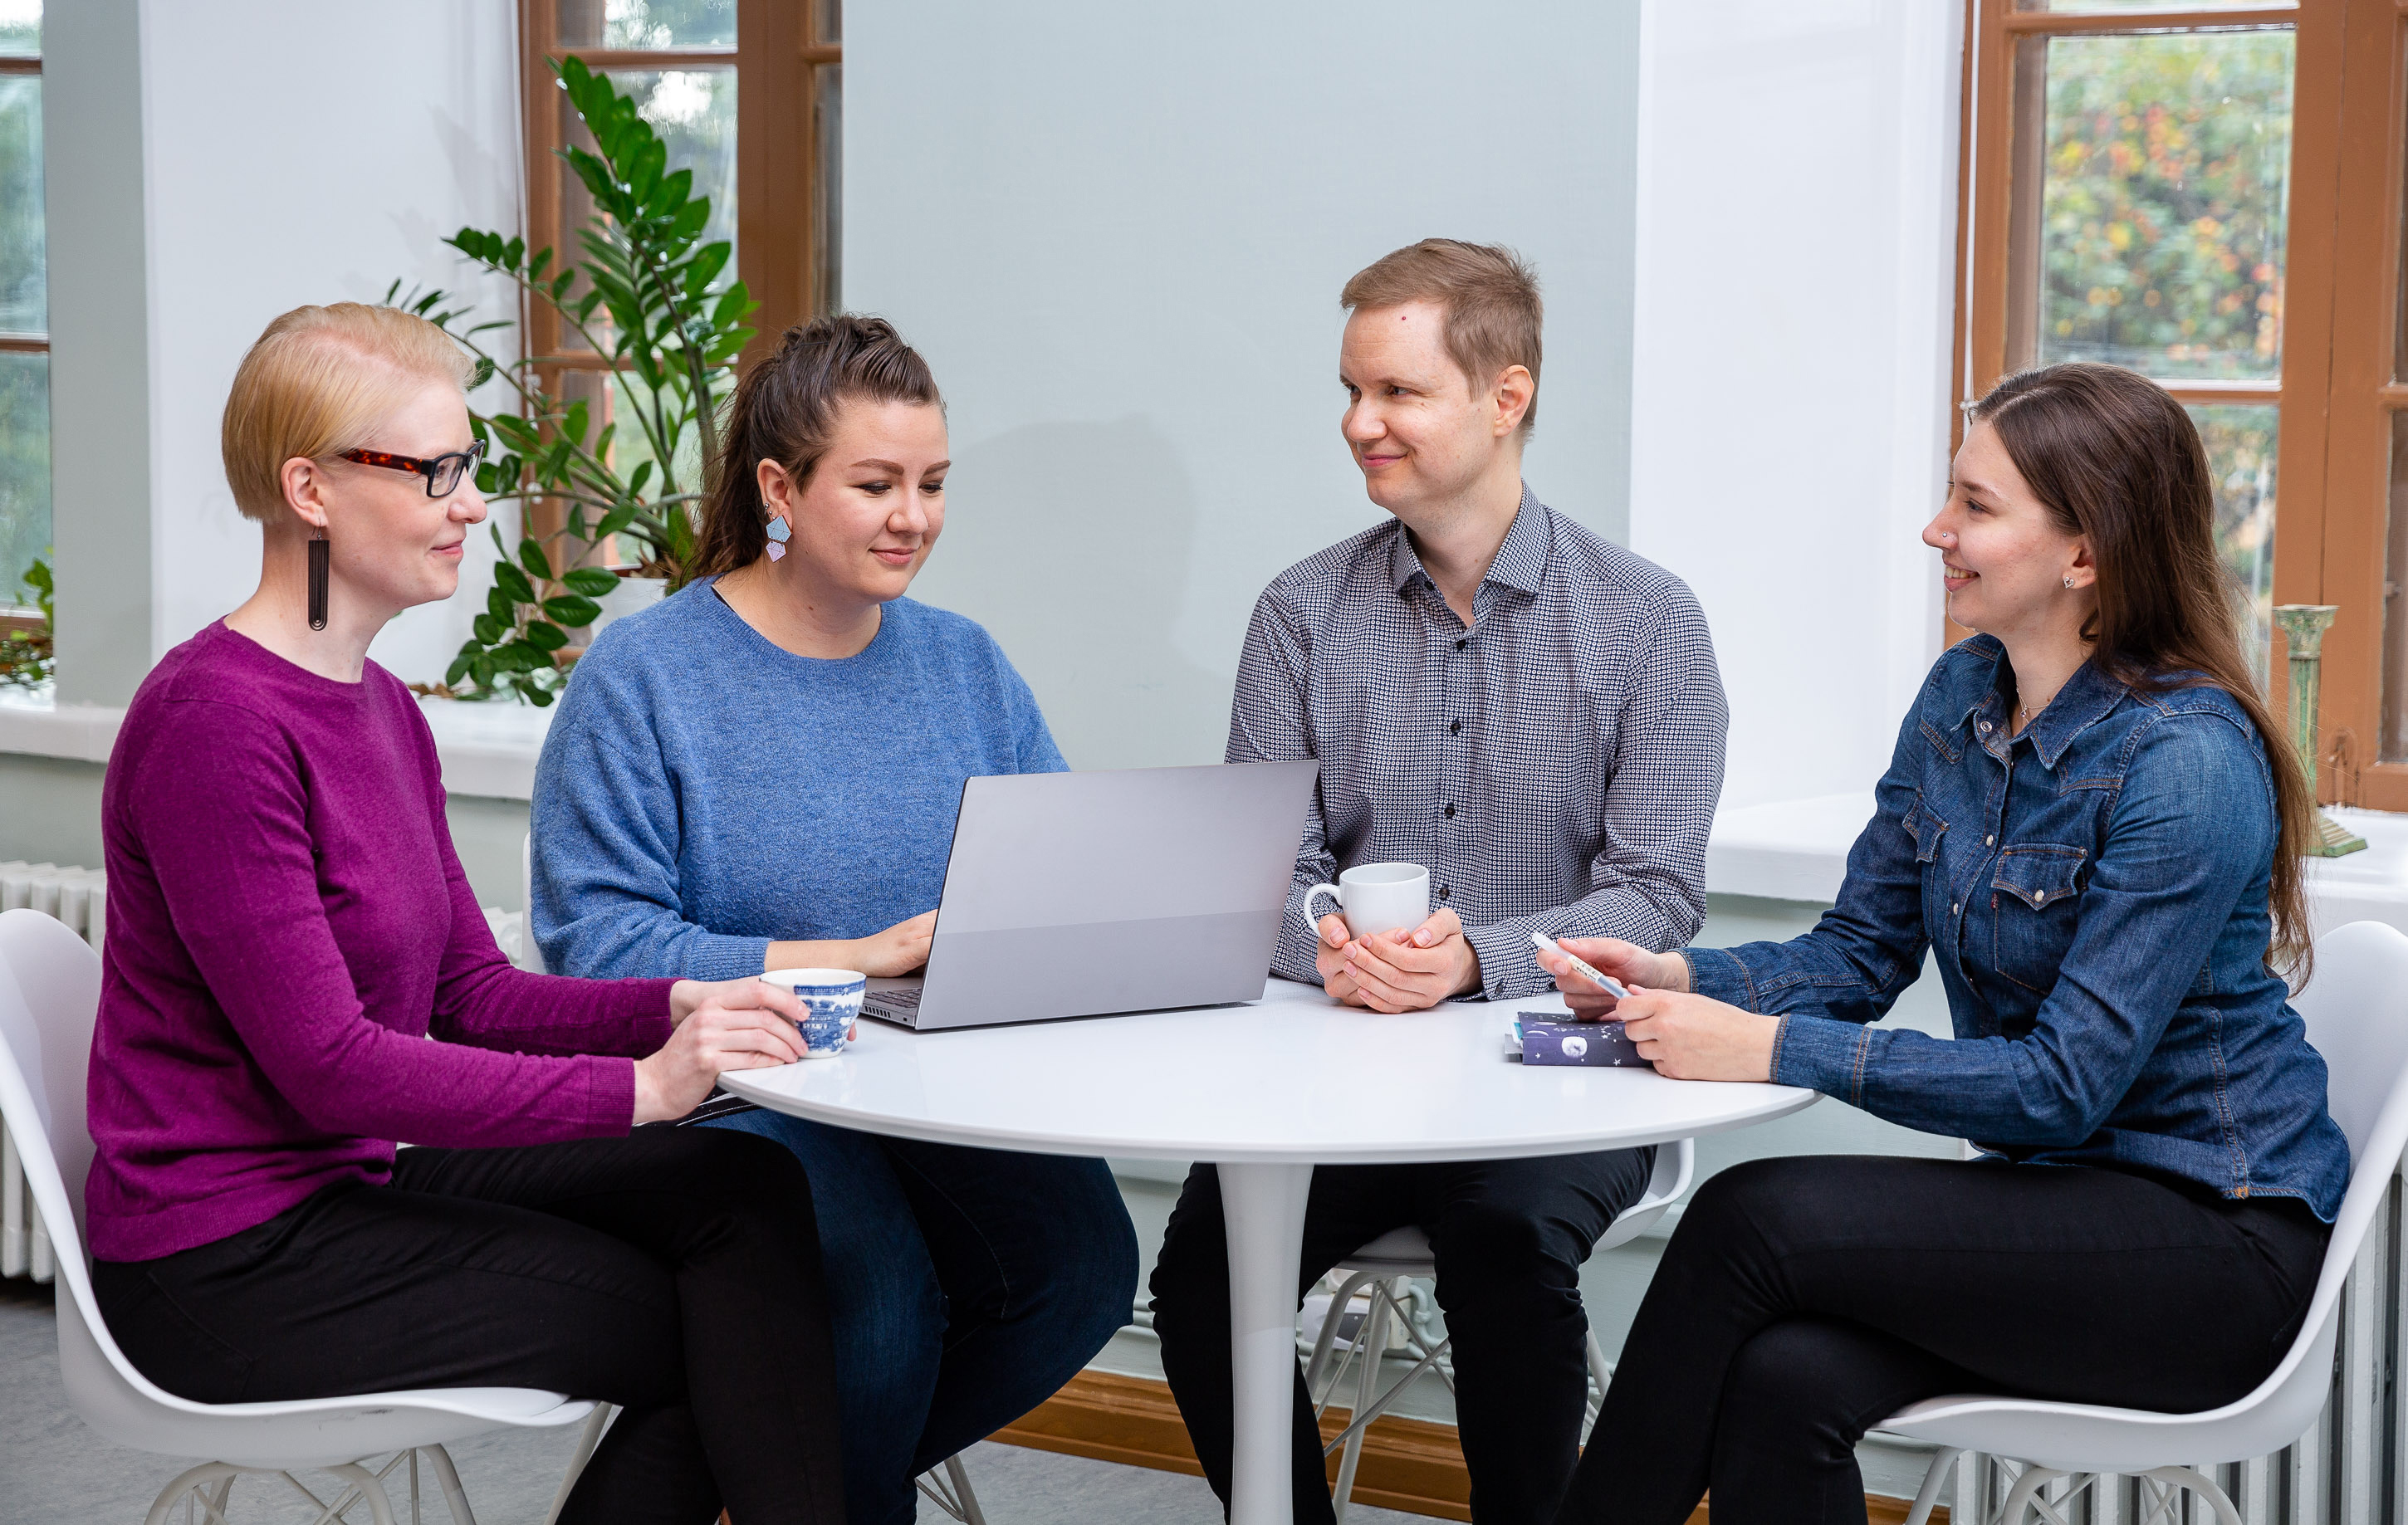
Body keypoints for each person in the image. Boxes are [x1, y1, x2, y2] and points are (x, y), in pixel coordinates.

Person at [1542, 361, 2349, 1525]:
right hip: (2056, 1209)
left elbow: (2064, 1085)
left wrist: (1768, 1045)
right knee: (1786, 1379)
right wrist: (1679, 977)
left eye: (1976, 505)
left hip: (2214, 1245)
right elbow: (1862, 951)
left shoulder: (2189, 763)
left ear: (2085, 553)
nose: (1937, 529)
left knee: (1746, 1217)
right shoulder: (1962, 697)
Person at [86, 304, 846, 1525]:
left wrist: (677, 1004)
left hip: (348, 1185)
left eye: (471, 467)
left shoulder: (381, 706)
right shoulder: (215, 725)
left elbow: (471, 996)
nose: (472, 505)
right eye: (436, 472)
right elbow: (331, 1068)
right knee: (712, 1330)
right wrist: (642, 1087)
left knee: (744, 1197)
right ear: (310, 489)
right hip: (221, 1260)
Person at [1148, 240, 1730, 1525]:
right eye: (1352, 391)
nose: (1362, 424)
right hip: (1338, 1076)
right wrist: (1332, 945)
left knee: (1505, 1244)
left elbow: (1656, 892)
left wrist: (1479, 959)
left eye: (1399, 393)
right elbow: (1274, 869)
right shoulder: (1300, 612)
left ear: (1505, 395)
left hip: (1553, 1075)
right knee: (1195, 1275)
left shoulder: (1648, 621)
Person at [531, 313, 1139, 1525]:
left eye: (932, 483)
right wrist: (849, 959)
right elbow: (599, 948)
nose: (913, 514)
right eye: (875, 484)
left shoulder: (965, 664)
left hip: (928, 1083)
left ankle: (767, 1467)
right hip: (738, 1090)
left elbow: (1057, 871)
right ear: (781, 489)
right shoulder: (644, 674)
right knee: (877, 1294)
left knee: (1082, 1266)